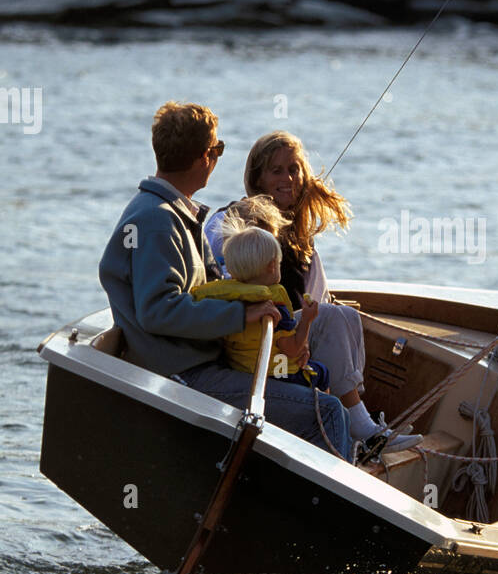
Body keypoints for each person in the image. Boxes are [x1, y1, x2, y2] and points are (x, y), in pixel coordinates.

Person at [98, 102, 352, 460]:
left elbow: (208, 288)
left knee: (314, 387)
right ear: (205, 157)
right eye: (217, 149)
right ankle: (331, 511)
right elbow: (158, 310)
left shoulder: (178, 213)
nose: (217, 158)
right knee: (326, 411)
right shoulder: (155, 221)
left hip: (207, 362)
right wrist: (241, 316)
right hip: (184, 375)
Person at [205, 130, 419, 453]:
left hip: (289, 346)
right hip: (257, 351)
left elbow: (318, 298)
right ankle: (364, 429)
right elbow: (216, 259)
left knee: (344, 315)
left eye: (294, 169)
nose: (287, 177)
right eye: (276, 170)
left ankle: (360, 423)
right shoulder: (235, 218)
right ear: (257, 179)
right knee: (334, 317)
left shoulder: (301, 241)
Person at [192, 224, 329, 390]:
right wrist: (307, 319)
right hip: (278, 374)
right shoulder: (272, 304)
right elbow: (291, 350)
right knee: (322, 372)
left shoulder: (227, 299)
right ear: (272, 266)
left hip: (243, 372)